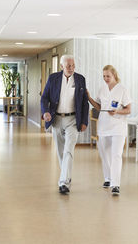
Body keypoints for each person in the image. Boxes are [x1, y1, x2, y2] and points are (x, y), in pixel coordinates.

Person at [41, 55, 89, 194]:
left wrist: (84, 121)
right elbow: (44, 98)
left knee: (69, 150)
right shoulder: (53, 78)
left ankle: (64, 183)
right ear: (62, 66)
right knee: (61, 152)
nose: (71, 68)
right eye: (68, 66)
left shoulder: (80, 79)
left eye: (73, 65)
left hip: (73, 120)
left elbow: (84, 102)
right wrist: (45, 112)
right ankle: (66, 177)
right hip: (57, 119)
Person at [87, 65, 131, 195]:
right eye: (104, 76)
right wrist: (89, 97)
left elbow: (128, 109)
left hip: (118, 126)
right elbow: (99, 107)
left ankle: (115, 184)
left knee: (116, 154)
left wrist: (117, 111)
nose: (106, 78)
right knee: (104, 154)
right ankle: (108, 178)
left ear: (114, 75)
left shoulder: (122, 89)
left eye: (108, 76)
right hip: (104, 126)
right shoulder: (102, 89)